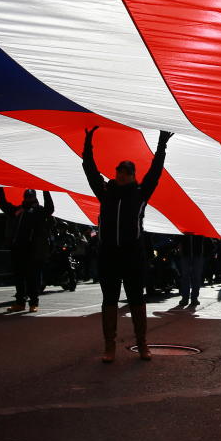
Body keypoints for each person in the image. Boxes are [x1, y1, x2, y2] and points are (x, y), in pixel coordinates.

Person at [83, 126, 172, 362]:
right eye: (119, 171)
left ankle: (142, 344)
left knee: (136, 299)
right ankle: (109, 346)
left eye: (127, 172)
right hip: (108, 254)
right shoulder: (105, 192)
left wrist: (161, 147)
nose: (122, 175)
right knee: (109, 299)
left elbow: (155, 172)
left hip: (133, 254)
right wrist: (87, 142)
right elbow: (89, 170)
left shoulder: (141, 193)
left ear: (133, 175)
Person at [0, 188, 54, 313]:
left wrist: (45, 190)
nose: (28, 198)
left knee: (32, 277)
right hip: (18, 248)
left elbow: (50, 209)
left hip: (33, 250)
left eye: (31, 196)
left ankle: (33, 302)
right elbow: (3, 205)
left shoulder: (39, 211)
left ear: (34, 197)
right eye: (27, 196)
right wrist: (0, 188)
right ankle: (20, 302)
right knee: (19, 277)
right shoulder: (19, 210)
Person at [178, 232, 204, 307]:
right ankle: (185, 298)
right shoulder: (184, 228)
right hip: (186, 254)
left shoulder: (199, 228)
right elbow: (179, 239)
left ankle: (194, 298)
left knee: (196, 276)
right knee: (185, 276)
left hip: (197, 254)